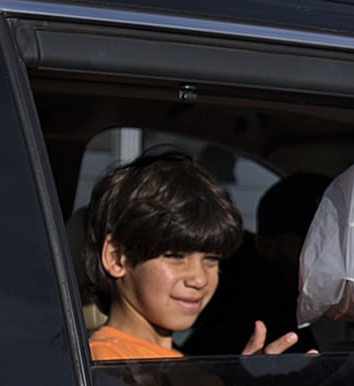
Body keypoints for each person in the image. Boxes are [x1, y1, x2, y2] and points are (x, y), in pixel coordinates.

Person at [83, 148, 303, 361]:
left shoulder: (191, 372)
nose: (199, 279)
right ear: (116, 257)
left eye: (211, 259)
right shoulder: (105, 365)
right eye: (175, 256)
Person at [180, 170, 331, 356]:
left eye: (336, 240)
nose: (327, 253)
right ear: (265, 245)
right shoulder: (242, 319)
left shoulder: (353, 308)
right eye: (310, 239)